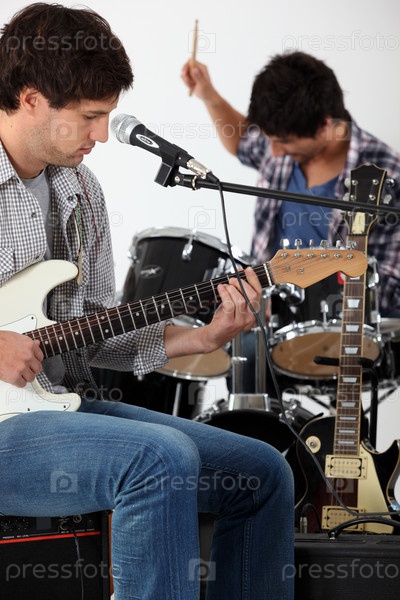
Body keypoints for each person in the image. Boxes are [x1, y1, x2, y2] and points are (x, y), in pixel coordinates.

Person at [0, 4, 295, 600]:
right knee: (160, 459)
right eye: (90, 117)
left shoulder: (80, 189)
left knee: (265, 472)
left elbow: (91, 333)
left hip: (55, 409)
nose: (102, 135)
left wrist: (203, 337)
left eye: (107, 115)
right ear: (31, 99)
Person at [181, 51, 400, 391]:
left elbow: (391, 285)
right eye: (270, 139)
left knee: (249, 358)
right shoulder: (285, 140)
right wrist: (208, 94)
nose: (274, 152)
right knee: (219, 353)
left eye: (282, 142)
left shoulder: (385, 174)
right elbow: (242, 141)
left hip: (343, 328)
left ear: (325, 126)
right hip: (267, 315)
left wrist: (307, 298)